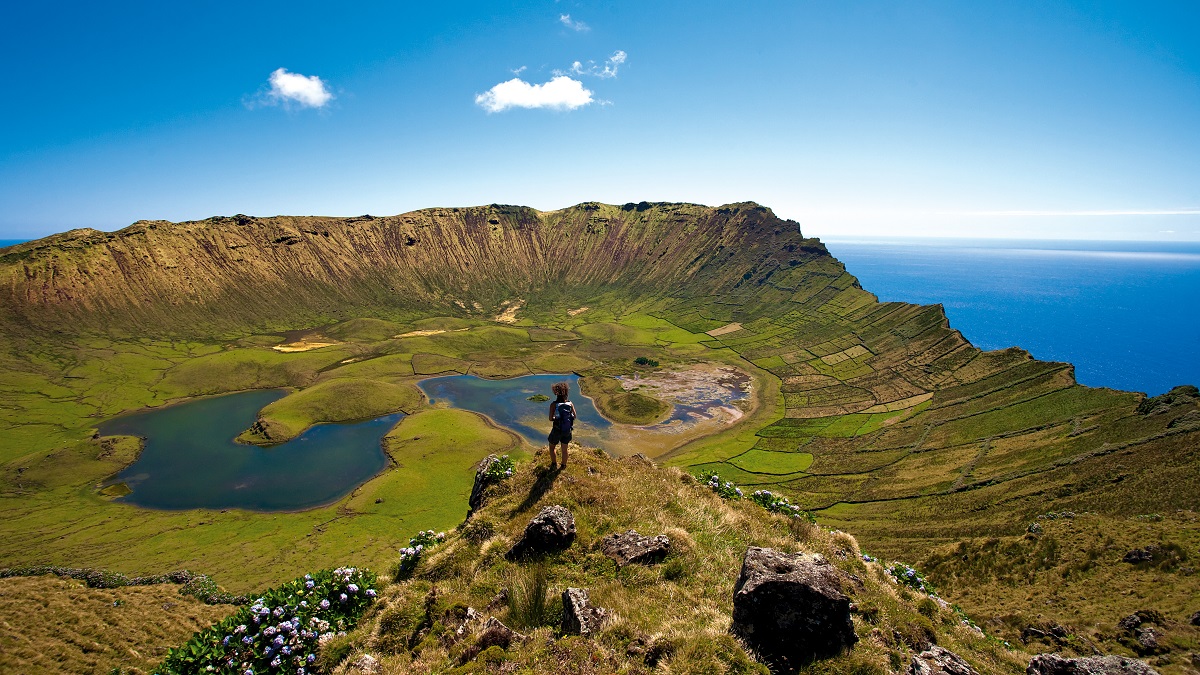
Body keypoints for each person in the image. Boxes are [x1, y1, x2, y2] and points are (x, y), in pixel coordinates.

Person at [547, 381, 576, 469]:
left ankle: (554, 464)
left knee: (552, 447)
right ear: (566, 392)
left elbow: (550, 418)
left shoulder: (553, 405)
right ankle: (563, 466)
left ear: (556, 393)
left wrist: (558, 418)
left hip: (556, 429)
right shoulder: (570, 404)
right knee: (564, 449)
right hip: (567, 430)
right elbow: (574, 416)